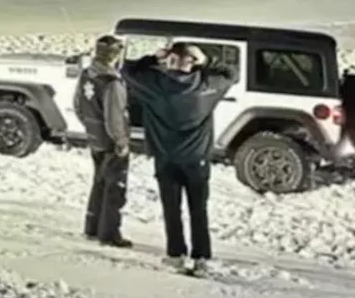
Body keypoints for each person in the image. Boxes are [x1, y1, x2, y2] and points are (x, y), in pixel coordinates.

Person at [122, 41, 235, 275]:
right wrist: (205, 60)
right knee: (198, 209)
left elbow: (126, 70)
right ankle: (201, 257)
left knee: (171, 208)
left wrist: (154, 58)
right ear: (192, 62)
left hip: (166, 158)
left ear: (170, 61)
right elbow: (231, 74)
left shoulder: (154, 85)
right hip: (197, 159)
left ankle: (175, 254)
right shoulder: (206, 86)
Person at [75, 34, 132, 247]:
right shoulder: (112, 82)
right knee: (114, 187)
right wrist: (121, 141)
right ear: (116, 55)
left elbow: (79, 105)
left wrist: (91, 127)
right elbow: (114, 115)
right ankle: (109, 233)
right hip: (109, 141)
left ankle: (92, 226)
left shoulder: (87, 75)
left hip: (94, 137)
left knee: (98, 182)